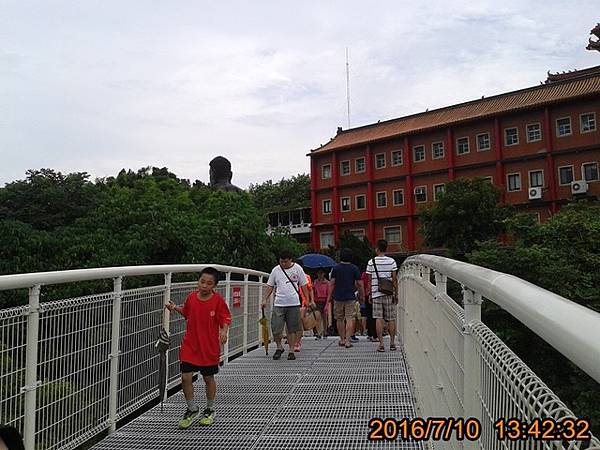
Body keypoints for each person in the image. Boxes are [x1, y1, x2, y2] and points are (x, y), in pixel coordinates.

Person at [166, 267, 231, 429]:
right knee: (186, 378)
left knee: (208, 378)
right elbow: (187, 313)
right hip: (190, 345)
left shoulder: (218, 301)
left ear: (214, 285)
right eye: (202, 282)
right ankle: (192, 408)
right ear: (198, 281)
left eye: (209, 283)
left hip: (208, 347)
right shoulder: (191, 297)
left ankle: (209, 409)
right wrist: (175, 308)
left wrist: (223, 331)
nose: (204, 286)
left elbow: (225, 318)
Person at [261, 250, 310, 361]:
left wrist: (306, 299)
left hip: (293, 303)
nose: (283, 264)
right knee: (276, 328)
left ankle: (291, 350)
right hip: (279, 302)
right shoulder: (276, 270)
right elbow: (270, 286)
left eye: (285, 262)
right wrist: (265, 299)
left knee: (292, 328)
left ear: (290, 260)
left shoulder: (298, 269)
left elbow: (304, 285)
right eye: (281, 261)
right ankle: (279, 346)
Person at [327, 248, 364, 348]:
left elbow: (332, 284)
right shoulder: (354, 268)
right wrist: (361, 296)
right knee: (349, 318)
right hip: (350, 296)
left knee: (339, 318)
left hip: (338, 297)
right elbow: (360, 284)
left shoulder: (336, 268)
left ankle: (342, 339)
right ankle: (348, 341)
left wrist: (329, 297)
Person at [366, 239, 398, 352]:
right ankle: (393, 343)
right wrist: (396, 293)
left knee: (378, 318)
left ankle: (381, 344)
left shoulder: (371, 262)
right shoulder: (392, 261)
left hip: (376, 293)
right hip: (389, 293)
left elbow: (369, 280)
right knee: (391, 318)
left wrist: (369, 293)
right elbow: (394, 279)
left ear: (378, 249)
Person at [295, 268, 315, 352]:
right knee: (291, 321)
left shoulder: (306, 277)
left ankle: (297, 342)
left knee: (299, 320)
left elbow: (310, 289)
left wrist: (311, 300)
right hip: (292, 300)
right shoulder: (290, 275)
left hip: (302, 301)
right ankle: (293, 339)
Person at [312, 269, 330, 338]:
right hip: (317, 300)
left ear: (324, 274)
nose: (320, 275)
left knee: (324, 317)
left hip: (324, 300)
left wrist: (327, 303)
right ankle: (318, 332)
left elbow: (328, 294)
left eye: (321, 273)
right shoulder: (315, 282)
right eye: (319, 273)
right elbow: (313, 292)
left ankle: (325, 331)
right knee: (317, 317)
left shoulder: (327, 283)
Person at [361, 270, 377, 341]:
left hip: (367, 295)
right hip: (377, 294)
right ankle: (376, 334)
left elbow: (361, 284)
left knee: (369, 315)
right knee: (377, 315)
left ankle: (370, 334)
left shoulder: (365, 274)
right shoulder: (378, 273)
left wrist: (362, 295)